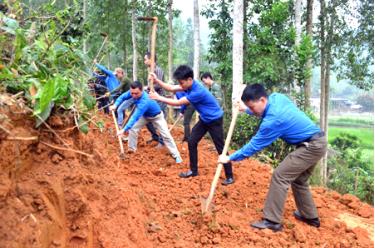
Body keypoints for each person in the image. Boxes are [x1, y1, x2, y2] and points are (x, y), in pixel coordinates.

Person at [218, 84, 327, 232]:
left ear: (262, 100)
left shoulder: (273, 121)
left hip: (310, 146)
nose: (253, 110)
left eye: (252, 106)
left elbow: (253, 146)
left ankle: (272, 221)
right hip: (317, 141)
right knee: (299, 180)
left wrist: (230, 158)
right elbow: (261, 111)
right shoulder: (276, 98)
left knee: (280, 175)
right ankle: (310, 217)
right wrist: (247, 110)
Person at [149, 65, 234, 185]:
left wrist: (158, 97)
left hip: (214, 120)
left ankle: (229, 176)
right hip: (204, 119)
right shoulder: (188, 85)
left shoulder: (197, 91)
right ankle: (193, 171)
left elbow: (178, 102)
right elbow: (172, 88)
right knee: (192, 141)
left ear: (189, 80)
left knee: (220, 147)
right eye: (180, 82)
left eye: (182, 83)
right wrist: (157, 80)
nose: (181, 85)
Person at [113, 81, 182, 163]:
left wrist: (124, 130)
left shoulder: (145, 101)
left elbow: (135, 117)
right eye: (132, 93)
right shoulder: (132, 92)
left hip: (157, 117)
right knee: (133, 129)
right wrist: (115, 105)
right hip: (145, 116)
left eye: (136, 93)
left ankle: (176, 155)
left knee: (166, 134)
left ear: (142, 91)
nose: (134, 95)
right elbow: (122, 97)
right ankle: (132, 150)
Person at [144, 51, 165, 147]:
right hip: (152, 99)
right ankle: (155, 136)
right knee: (146, 118)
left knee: (159, 122)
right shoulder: (150, 71)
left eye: (145, 59)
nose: (144, 62)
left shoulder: (158, 70)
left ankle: (162, 141)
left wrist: (147, 88)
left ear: (151, 59)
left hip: (159, 99)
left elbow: (158, 85)